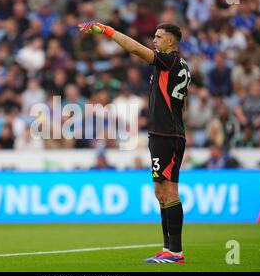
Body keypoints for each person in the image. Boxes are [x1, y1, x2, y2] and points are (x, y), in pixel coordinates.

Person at [79, 21, 190, 263]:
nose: (155, 40)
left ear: (171, 41)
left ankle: (176, 252)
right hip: (164, 133)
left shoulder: (169, 61)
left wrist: (108, 31)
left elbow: (137, 50)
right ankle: (167, 248)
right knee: (160, 191)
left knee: (169, 190)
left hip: (167, 135)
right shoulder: (179, 67)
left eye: (159, 37)